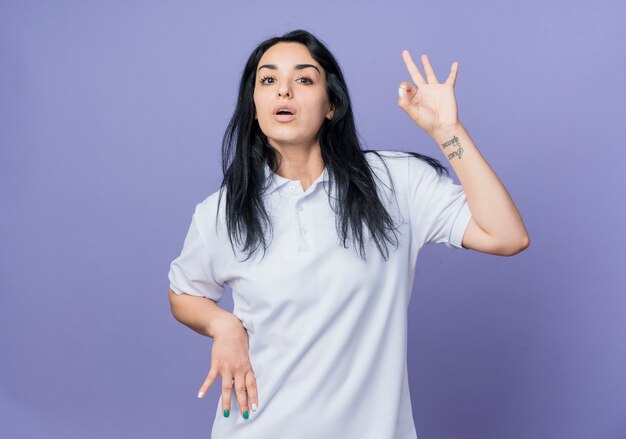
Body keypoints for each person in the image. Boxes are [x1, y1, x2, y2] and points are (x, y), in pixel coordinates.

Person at [167, 29, 529, 439]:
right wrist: (223, 326)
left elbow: (507, 236)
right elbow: (184, 293)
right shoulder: (223, 210)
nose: (283, 91)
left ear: (331, 105)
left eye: (303, 79)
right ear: (254, 105)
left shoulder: (396, 183)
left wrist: (449, 132)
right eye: (268, 80)